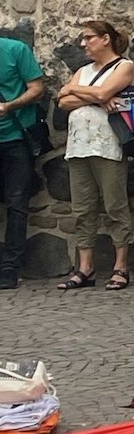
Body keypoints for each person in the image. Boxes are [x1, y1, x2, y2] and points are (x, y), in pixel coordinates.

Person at [55, 19, 134, 291]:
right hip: (79, 146)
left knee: (115, 206)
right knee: (82, 208)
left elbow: (99, 91)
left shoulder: (123, 66)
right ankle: (85, 267)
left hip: (108, 145)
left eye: (89, 37)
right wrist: (98, 98)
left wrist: (74, 89)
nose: (83, 44)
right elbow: (63, 102)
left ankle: (121, 266)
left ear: (105, 39)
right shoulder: (82, 71)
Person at [0, 28, 47, 291]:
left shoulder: (15, 50)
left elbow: (37, 89)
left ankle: (10, 269)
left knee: (17, 203)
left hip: (16, 138)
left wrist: (9, 106)